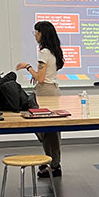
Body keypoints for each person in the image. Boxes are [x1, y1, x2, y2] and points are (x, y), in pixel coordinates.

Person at [16, 20, 64, 177]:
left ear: (41, 33)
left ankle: (53, 163)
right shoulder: (54, 50)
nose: (35, 35)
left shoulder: (44, 53)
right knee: (51, 131)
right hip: (52, 91)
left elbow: (41, 78)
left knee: (45, 130)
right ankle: (52, 162)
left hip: (45, 93)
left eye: (35, 32)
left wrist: (28, 67)